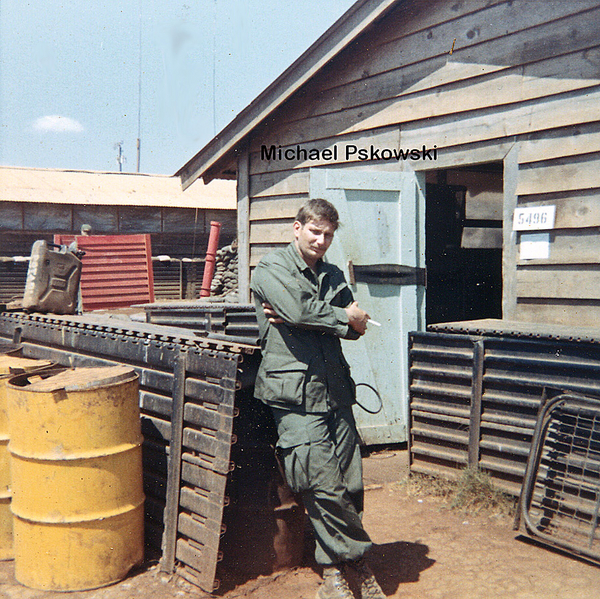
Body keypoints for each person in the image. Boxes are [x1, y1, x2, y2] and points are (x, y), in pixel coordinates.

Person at [250, 198, 386, 599]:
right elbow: (298, 309)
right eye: (315, 231)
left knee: (350, 482)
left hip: (335, 391)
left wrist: (322, 316)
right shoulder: (271, 267)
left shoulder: (329, 274)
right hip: (294, 395)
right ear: (297, 228)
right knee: (319, 481)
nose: (321, 240)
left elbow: (357, 324)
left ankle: (332, 572)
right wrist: (335, 317)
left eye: (328, 234)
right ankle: (358, 561)